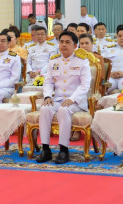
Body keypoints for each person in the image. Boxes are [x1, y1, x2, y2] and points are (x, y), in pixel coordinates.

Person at [36, 31, 91, 164]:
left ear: (75, 46)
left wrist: (72, 99)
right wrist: (48, 96)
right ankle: (46, 149)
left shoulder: (83, 62)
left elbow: (85, 85)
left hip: (77, 101)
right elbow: (48, 82)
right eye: (61, 42)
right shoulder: (53, 61)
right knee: (44, 108)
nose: (64, 45)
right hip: (58, 99)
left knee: (63, 110)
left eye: (68, 42)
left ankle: (63, 150)